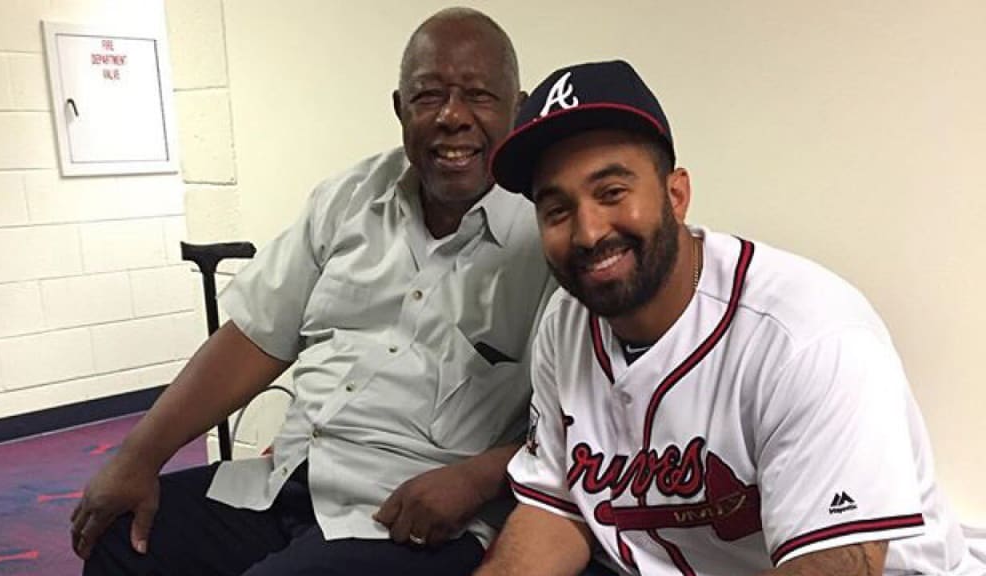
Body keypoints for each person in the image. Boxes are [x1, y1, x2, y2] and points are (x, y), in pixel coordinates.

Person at [70, 8, 557, 576]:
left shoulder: (551, 233)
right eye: (428, 96)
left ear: (518, 108)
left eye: (478, 95)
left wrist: (477, 479)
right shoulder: (348, 199)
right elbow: (254, 338)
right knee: (121, 542)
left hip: (411, 513)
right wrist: (138, 456)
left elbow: (582, 424)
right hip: (288, 481)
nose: (453, 116)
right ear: (400, 109)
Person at [476, 60, 985, 575]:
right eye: (557, 210)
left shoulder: (807, 334)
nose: (586, 232)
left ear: (676, 196)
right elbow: (556, 514)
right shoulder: (565, 324)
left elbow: (833, 565)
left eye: (612, 193)